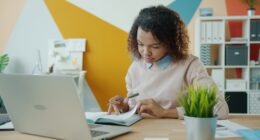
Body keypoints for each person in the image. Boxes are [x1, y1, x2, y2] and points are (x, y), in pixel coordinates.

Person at [107, 5, 229, 119]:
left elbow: (219, 109)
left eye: (155, 47)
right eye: (140, 44)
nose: (145, 52)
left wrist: (165, 112)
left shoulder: (190, 66)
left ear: (170, 43)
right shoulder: (135, 68)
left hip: (177, 133)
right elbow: (136, 109)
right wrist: (125, 107)